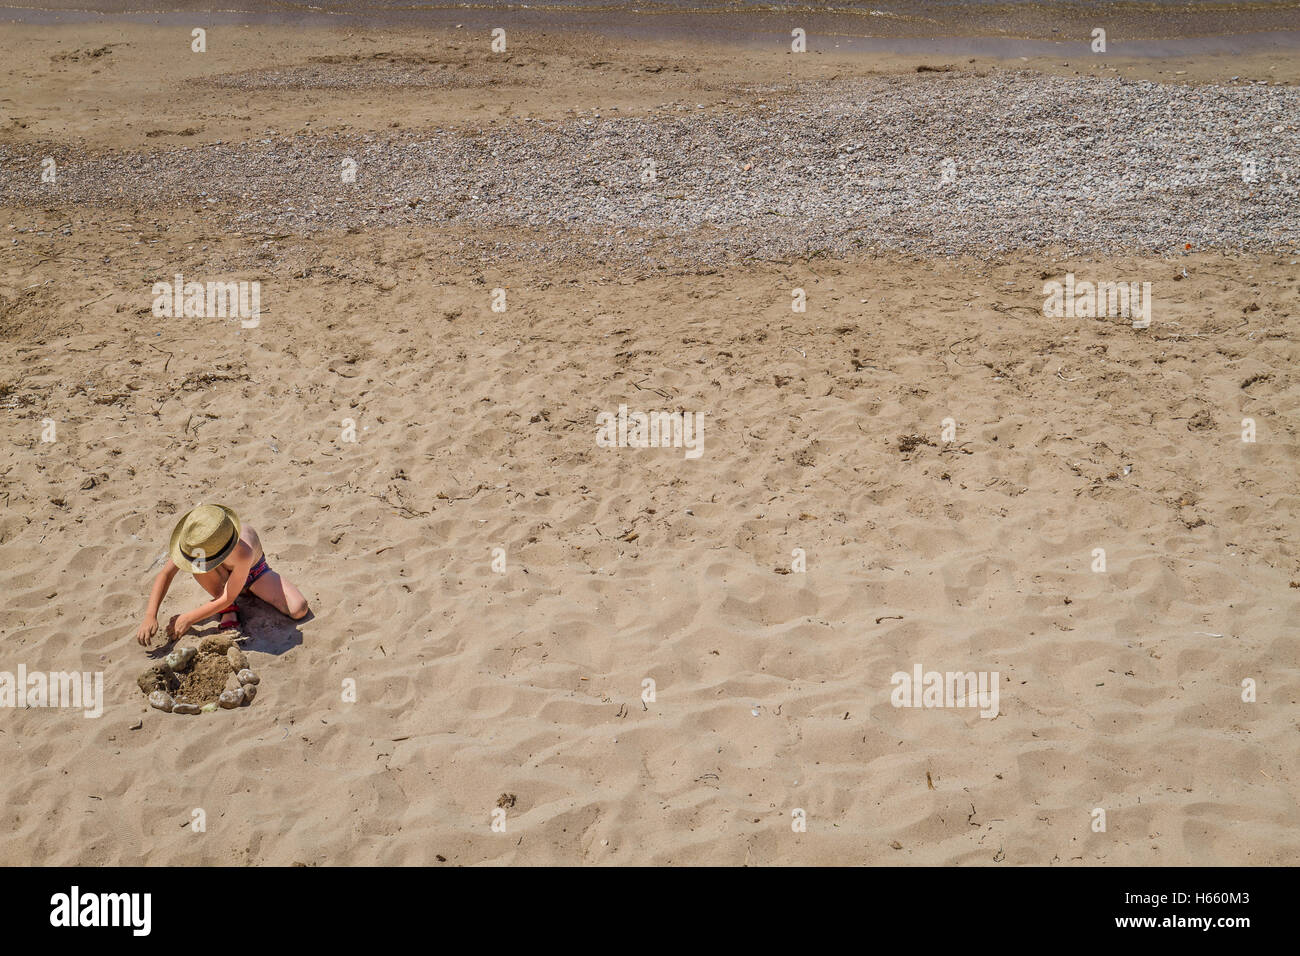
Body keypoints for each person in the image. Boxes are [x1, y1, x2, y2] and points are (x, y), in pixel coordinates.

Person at [136, 503, 308, 646]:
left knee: (299, 609)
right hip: (222, 578)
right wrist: (150, 615)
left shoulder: (242, 551)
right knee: (197, 566)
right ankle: (229, 610)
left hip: (254, 574)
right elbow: (165, 574)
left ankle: (228, 603)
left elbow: (227, 596)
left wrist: (188, 618)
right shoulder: (195, 540)